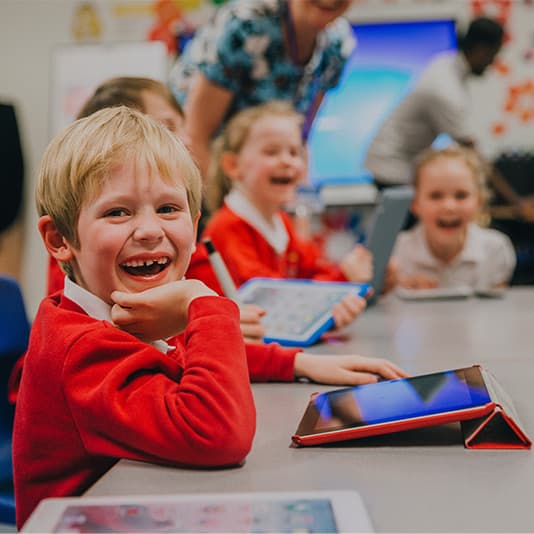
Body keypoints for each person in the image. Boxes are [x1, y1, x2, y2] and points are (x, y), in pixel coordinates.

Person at [13, 107, 407, 528]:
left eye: (168, 208)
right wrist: (203, 301)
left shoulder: (125, 313)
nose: (149, 230)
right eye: (118, 213)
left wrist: (296, 363)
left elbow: (187, 354)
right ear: (59, 240)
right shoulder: (82, 347)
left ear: (195, 223)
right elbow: (217, 434)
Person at [45, 76, 265, 342]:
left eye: (168, 208)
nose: (187, 141)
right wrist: (206, 315)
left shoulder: (160, 253)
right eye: (167, 128)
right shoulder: (84, 324)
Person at [202, 101, 374, 328]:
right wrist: (340, 279)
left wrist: (346, 282)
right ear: (233, 165)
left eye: (295, 152)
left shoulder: (280, 221)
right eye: (271, 152)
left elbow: (311, 268)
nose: (287, 161)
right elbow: (273, 302)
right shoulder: (227, 227)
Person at [169, 0, 356, 179]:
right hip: (198, 170)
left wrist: (298, 200)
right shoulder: (246, 24)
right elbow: (195, 139)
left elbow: (301, 139)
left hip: (256, 179)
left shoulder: (337, 43)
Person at [364, 16, 504, 188]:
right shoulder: (447, 91)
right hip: (393, 168)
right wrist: (516, 202)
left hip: (396, 162)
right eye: (494, 54)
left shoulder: (444, 62)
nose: (493, 62)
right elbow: (471, 151)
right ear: (482, 50)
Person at [391, 145, 516, 290]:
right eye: (435, 196)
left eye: (461, 195)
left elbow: (498, 308)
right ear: (415, 204)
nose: (449, 206)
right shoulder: (396, 253)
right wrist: (399, 289)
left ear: (479, 202)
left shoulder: (496, 250)